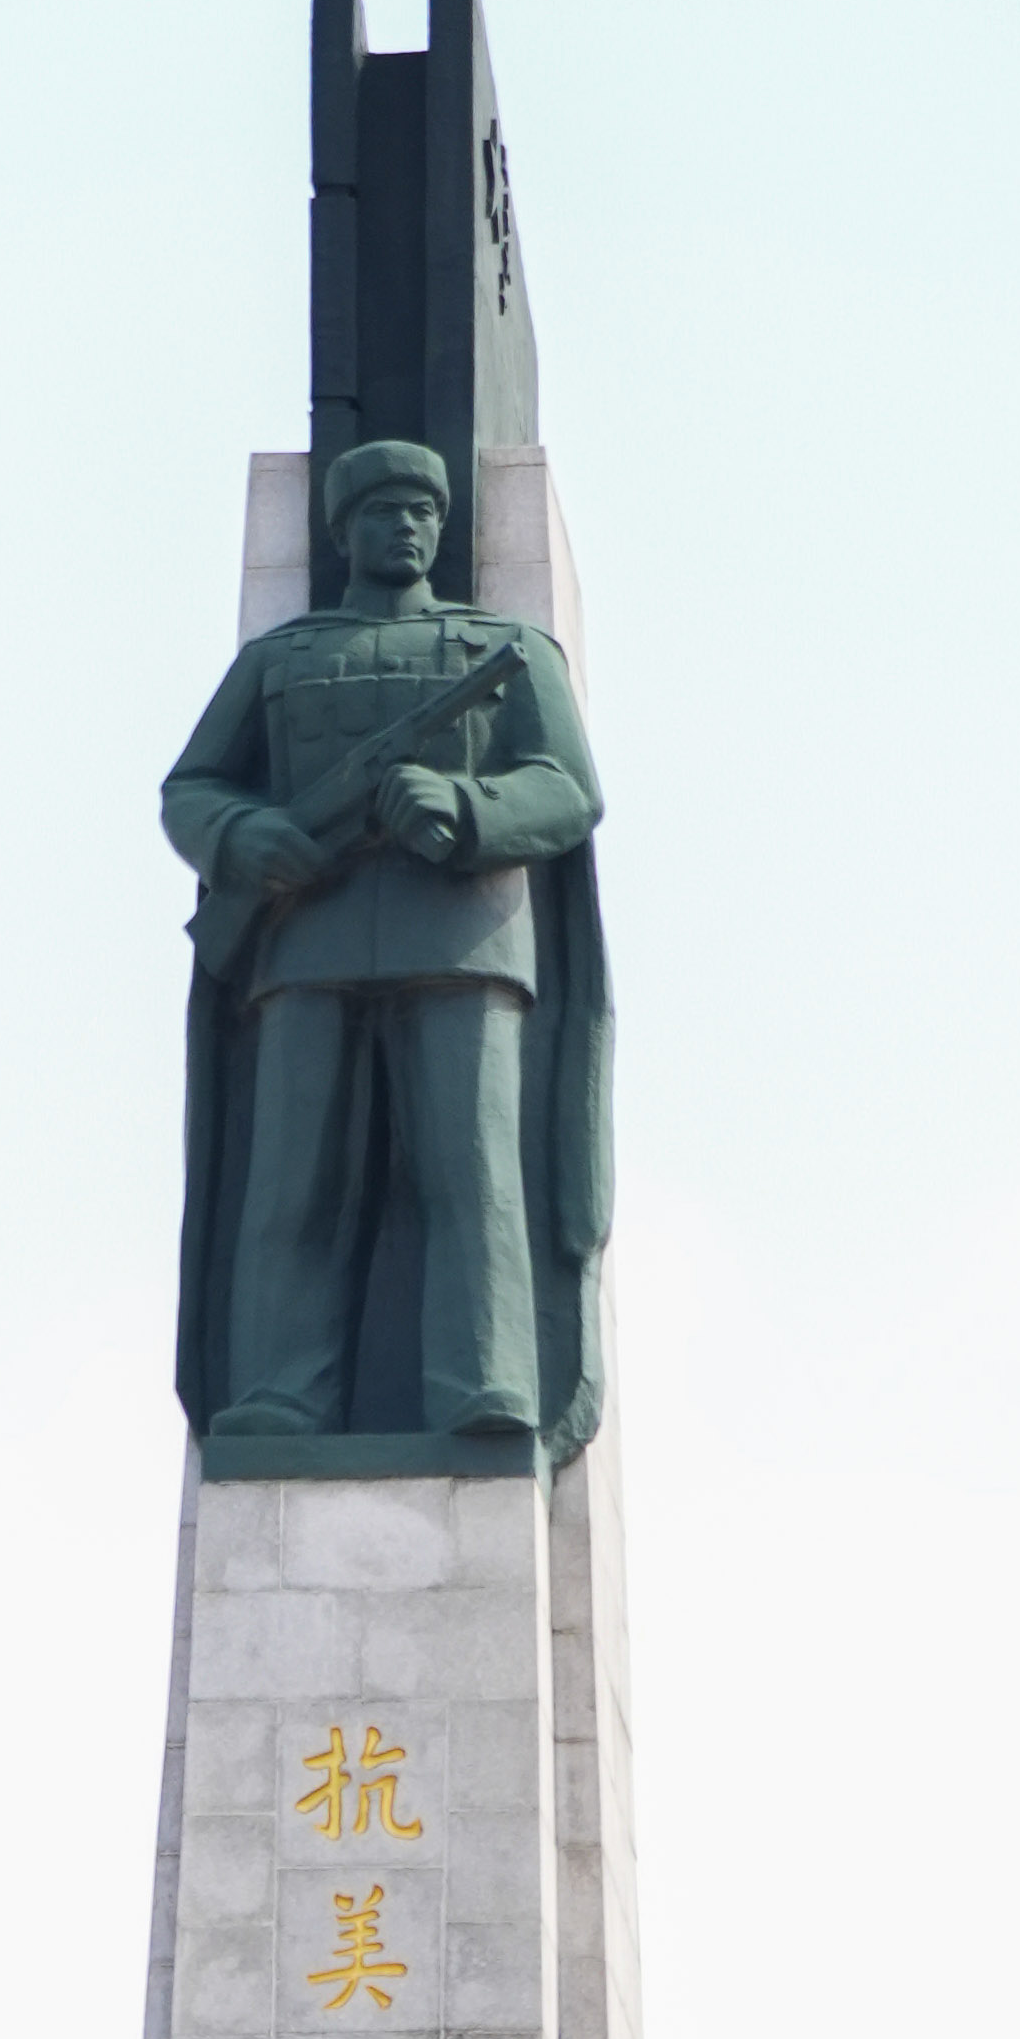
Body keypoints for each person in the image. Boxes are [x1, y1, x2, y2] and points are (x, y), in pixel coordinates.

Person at [158, 434, 612, 1461]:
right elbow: (194, 786)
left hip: (462, 943)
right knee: (295, 1181)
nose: (403, 528)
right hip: (304, 945)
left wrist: (463, 801)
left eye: (420, 513)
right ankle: (279, 1392)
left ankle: (485, 1377)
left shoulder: (504, 653)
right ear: (345, 530)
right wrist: (244, 835)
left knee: (471, 1173)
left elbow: (567, 789)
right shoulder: (280, 658)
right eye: (381, 513)